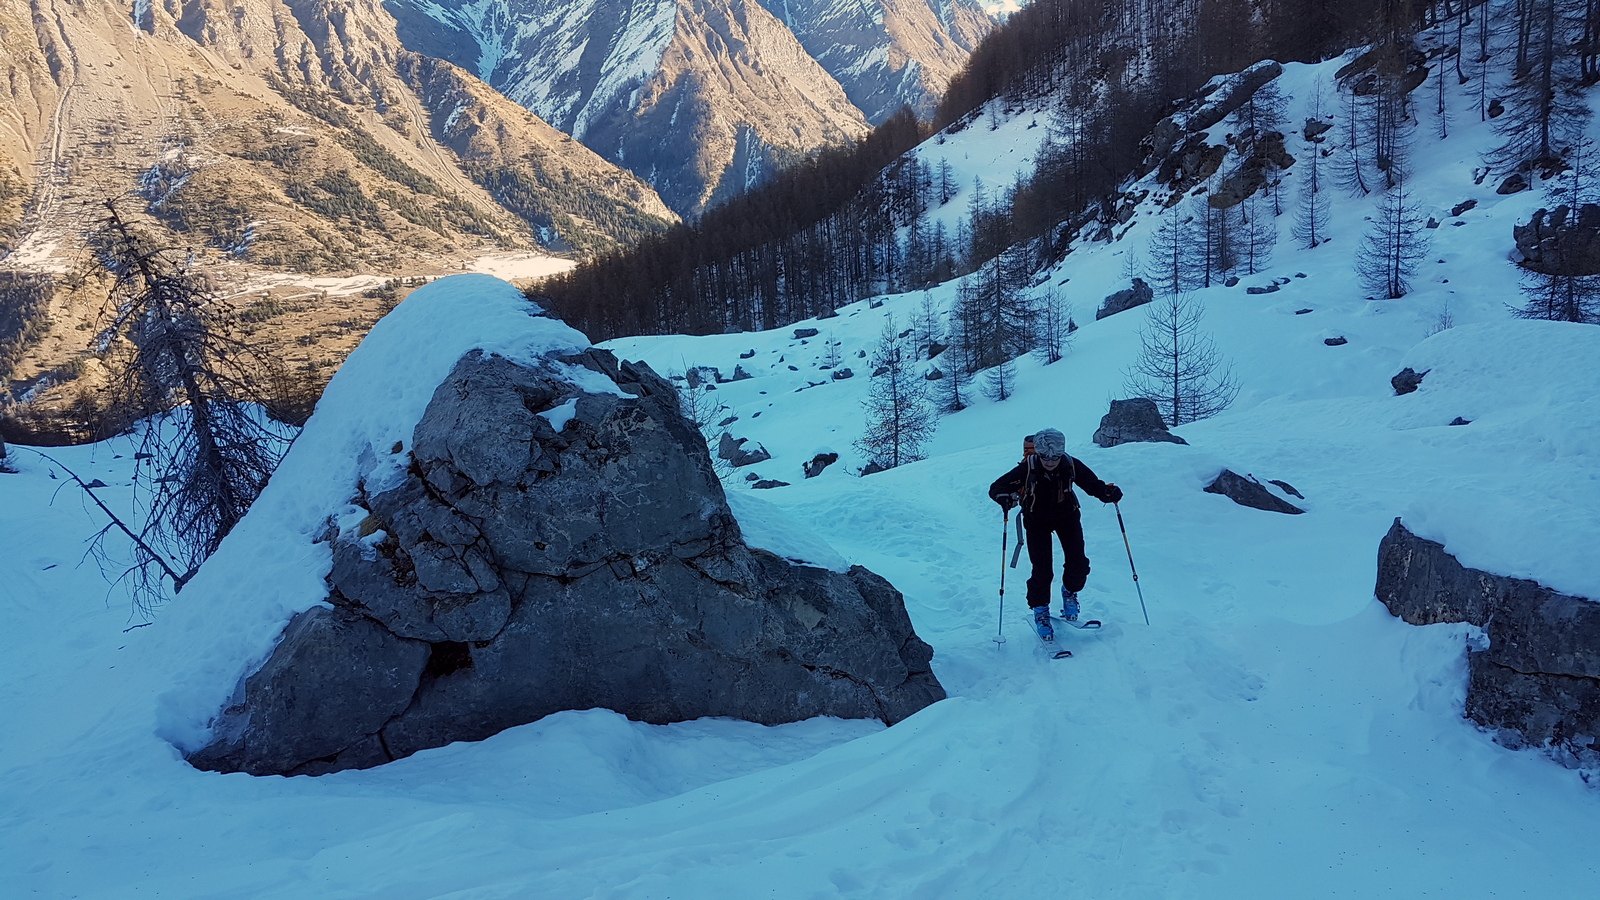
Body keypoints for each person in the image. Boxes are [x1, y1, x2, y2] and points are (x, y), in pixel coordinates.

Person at [988, 428, 1122, 637]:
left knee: (1078, 564)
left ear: (1062, 452)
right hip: (1036, 520)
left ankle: (1069, 592)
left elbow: (1092, 484)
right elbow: (997, 486)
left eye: (1055, 456)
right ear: (1038, 453)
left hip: (1067, 516)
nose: (1050, 461)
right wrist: (1003, 497)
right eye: (1044, 456)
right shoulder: (1028, 467)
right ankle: (1040, 610)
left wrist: (1107, 493)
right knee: (1042, 570)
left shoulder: (1070, 464)